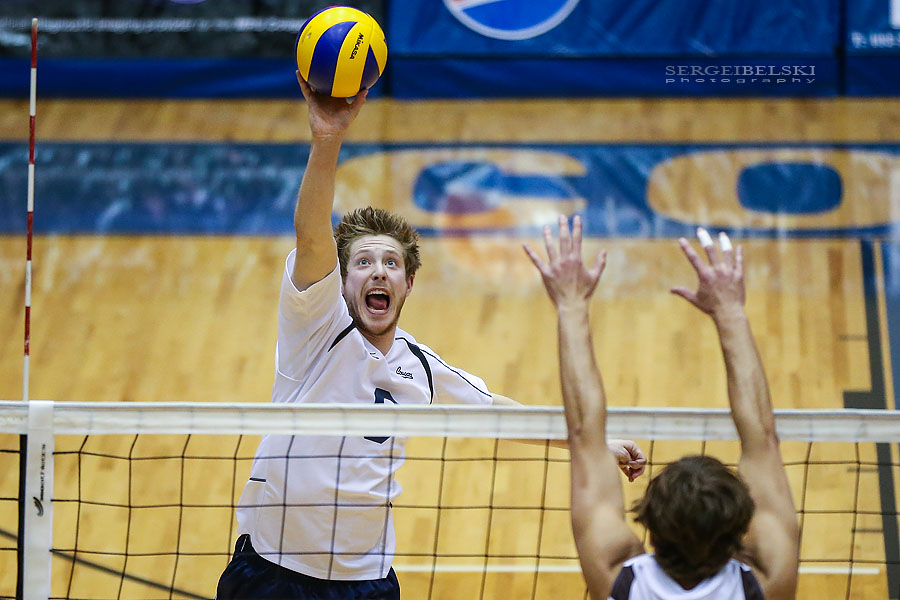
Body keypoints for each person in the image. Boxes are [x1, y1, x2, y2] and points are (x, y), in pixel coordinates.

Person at [215, 76, 647, 599]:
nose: (378, 271)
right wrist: (328, 139)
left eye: (391, 263)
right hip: (274, 571)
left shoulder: (417, 366)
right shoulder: (315, 328)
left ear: (409, 283)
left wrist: (593, 444)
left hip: (364, 581)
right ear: (341, 279)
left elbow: (496, 412)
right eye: (363, 262)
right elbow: (311, 238)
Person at [524, 217, 800, 599]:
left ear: (651, 527)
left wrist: (571, 305)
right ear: (741, 528)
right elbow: (764, 440)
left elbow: (584, 433)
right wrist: (731, 312)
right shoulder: (768, 584)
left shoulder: (619, 582)